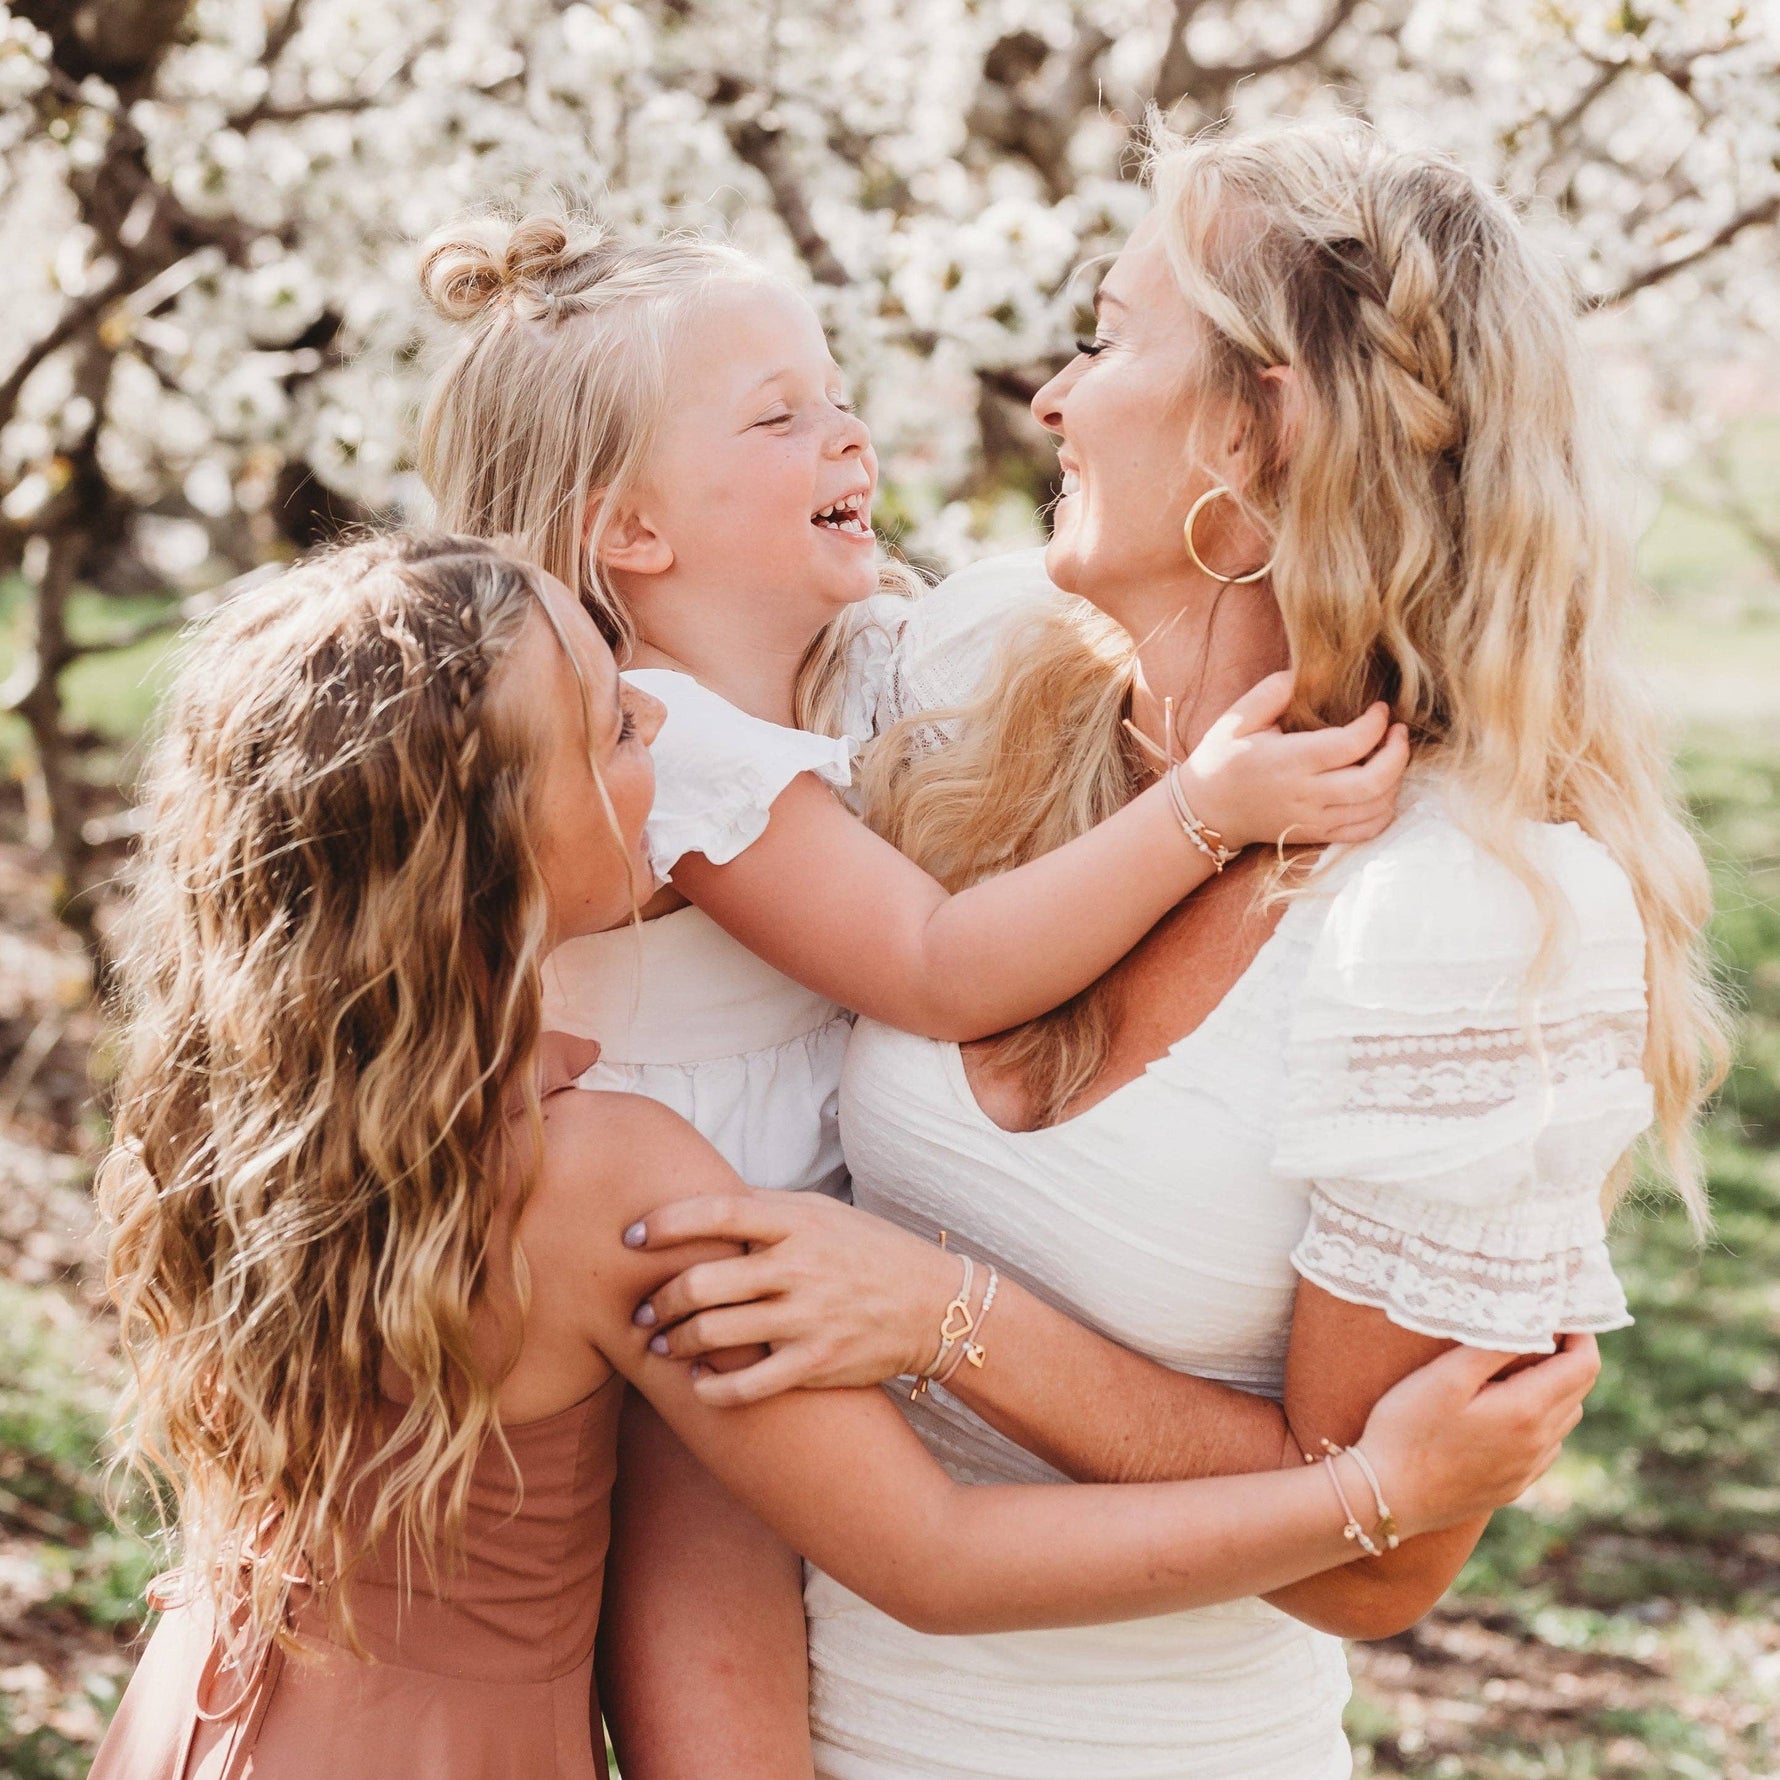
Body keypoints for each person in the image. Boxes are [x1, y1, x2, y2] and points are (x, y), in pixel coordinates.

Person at [86, 533, 1595, 1780]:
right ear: (489, 853)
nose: (659, 722)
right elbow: (933, 1555)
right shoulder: (602, 1177)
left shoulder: (245, 1118)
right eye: (615, 728)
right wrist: (1373, 1493)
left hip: (200, 1720)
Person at [623, 121, 1729, 1778]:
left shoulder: (1462, 914)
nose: (1052, 402)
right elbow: (653, 719)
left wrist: (946, 1318)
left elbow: (1381, 1563)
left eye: (1104, 340)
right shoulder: (979, 675)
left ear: (1259, 426)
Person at [414, 210, 1408, 1772]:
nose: (848, 431)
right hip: (684, 1247)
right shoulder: (666, 739)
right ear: (632, 532)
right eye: (778, 417)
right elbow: (939, 968)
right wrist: (1202, 814)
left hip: (770, 1222)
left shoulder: (858, 661)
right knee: (720, 1641)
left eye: (835, 391)